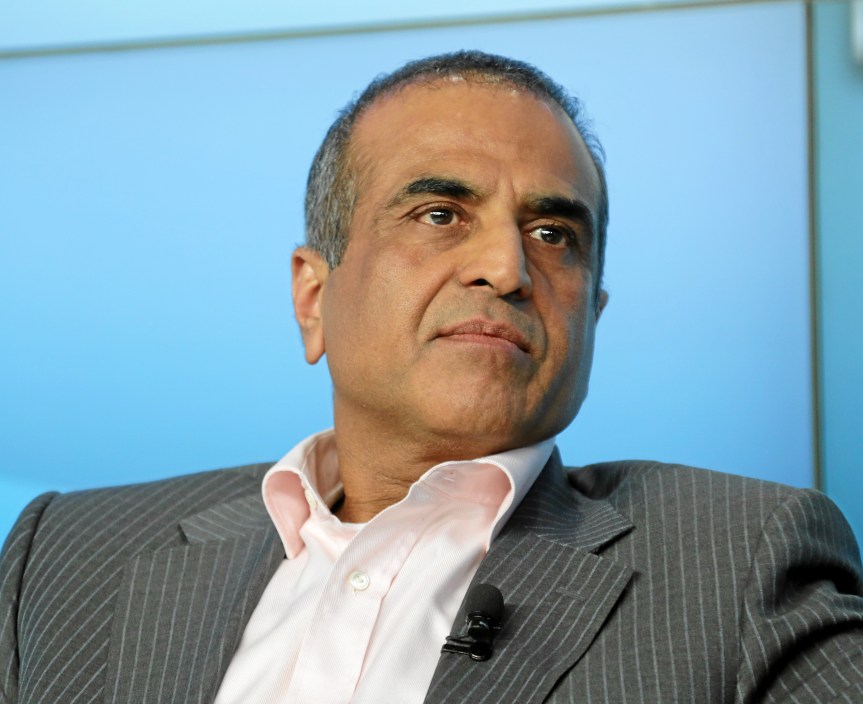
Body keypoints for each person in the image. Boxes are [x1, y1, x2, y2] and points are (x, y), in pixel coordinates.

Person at [1, 50, 861, 704]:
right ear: (313, 297)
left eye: (553, 235)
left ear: (592, 315)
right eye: (440, 214)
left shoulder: (739, 564)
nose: (506, 268)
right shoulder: (68, 554)